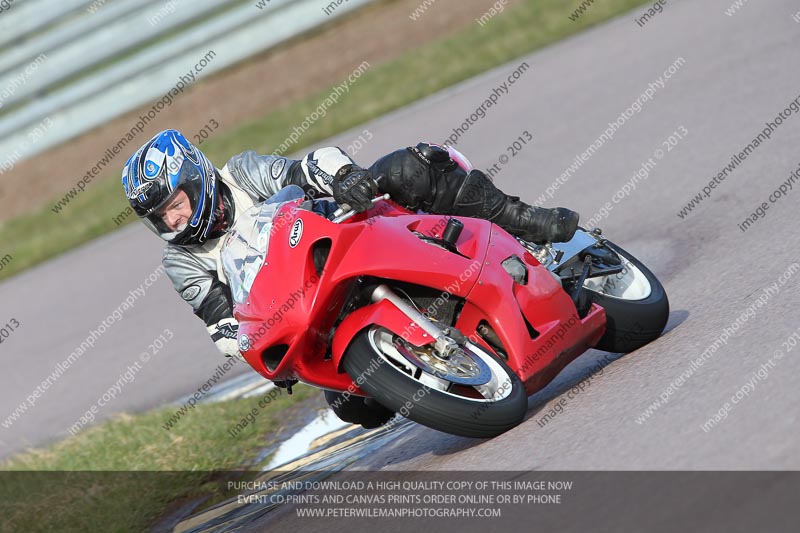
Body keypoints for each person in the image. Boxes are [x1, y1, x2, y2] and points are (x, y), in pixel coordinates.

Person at [122, 129, 579, 427]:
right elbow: (221, 322)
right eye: (161, 218)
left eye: (176, 204)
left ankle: (524, 221)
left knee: (410, 166)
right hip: (306, 311)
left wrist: (342, 177)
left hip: (338, 237)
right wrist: (256, 350)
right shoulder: (180, 261)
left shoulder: (241, 174)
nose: (174, 222)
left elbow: (301, 170)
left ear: (197, 178)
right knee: (356, 407)